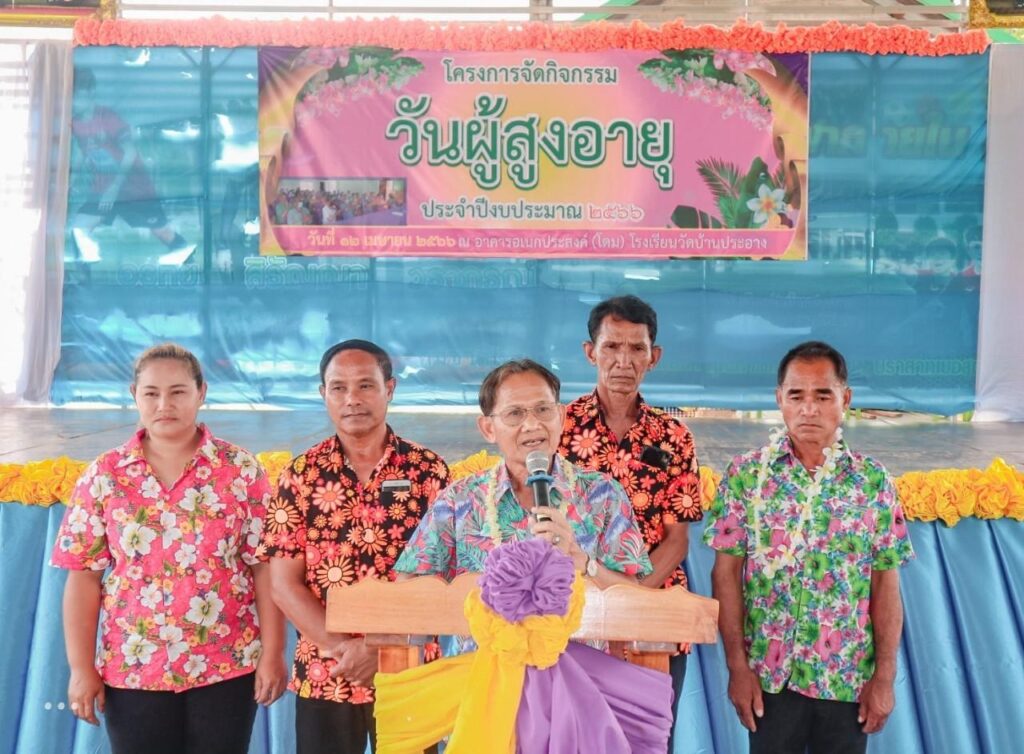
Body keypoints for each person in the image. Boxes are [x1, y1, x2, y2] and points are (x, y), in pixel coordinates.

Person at [51, 343, 287, 754]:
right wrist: (80, 668)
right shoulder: (104, 476)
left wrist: (273, 653)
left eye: (178, 392)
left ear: (201, 393)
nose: (164, 404)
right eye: (151, 393)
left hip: (226, 663)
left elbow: (264, 568)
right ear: (134, 396)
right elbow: (83, 578)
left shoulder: (239, 469)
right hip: (133, 667)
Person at [704, 341, 914, 754]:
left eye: (823, 395)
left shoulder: (873, 481)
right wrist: (737, 668)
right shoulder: (747, 476)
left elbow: (885, 584)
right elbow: (724, 575)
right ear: (779, 399)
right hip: (770, 680)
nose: (809, 409)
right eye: (796, 396)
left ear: (845, 399)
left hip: (845, 680)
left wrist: (885, 676)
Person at [264, 339, 450, 754]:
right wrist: (346, 649)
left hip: (408, 668)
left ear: (390, 388)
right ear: (323, 394)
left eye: (366, 385)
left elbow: (443, 576)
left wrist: (382, 647)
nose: (352, 399)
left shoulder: (428, 472)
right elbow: (283, 584)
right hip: (328, 671)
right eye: (339, 388)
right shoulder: (300, 475)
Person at [394, 359, 653, 622]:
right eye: (515, 413)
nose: (532, 424)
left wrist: (584, 563)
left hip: (576, 648)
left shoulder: (603, 494)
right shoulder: (459, 500)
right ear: (488, 428)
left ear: (561, 417)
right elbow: (409, 593)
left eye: (543, 409)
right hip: (483, 648)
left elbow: (635, 601)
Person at [558, 295, 702, 748]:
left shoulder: (674, 437)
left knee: (647, 743)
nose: (624, 361)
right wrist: (600, 606)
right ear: (590, 352)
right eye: (612, 346)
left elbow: (677, 540)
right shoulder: (557, 428)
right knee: (571, 739)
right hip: (572, 621)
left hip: (652, 621)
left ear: (653, 357)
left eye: (637, 348)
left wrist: (627, 605)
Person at [68, 69, 194, 266]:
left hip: (133, 188)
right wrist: (69, 182)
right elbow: (81, 154)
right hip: (103, 189)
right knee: (80, 229)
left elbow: (130, 152)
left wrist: (114, 188)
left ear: (90, 93)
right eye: (71, 96)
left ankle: (188, 260)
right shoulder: (75, 123)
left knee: (162, 231)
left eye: (77, 96)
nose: (73, 102)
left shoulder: (108, 118)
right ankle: (82, 279)